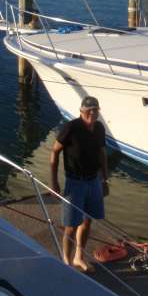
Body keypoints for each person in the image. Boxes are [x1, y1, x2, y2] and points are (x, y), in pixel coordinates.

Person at [50, 95, 109, 272]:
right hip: (75, 182)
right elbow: (55, 152)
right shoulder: (71, 128)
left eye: (95, 110)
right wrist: (54, 181)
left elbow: (102, 154)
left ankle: (79, 257)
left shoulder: (99, 128)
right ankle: (66, 263)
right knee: (71, 225)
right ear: (81, 111)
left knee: (87, 222)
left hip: (94, 180)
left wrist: (105, 179)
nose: (92, 113)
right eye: (89, 110)